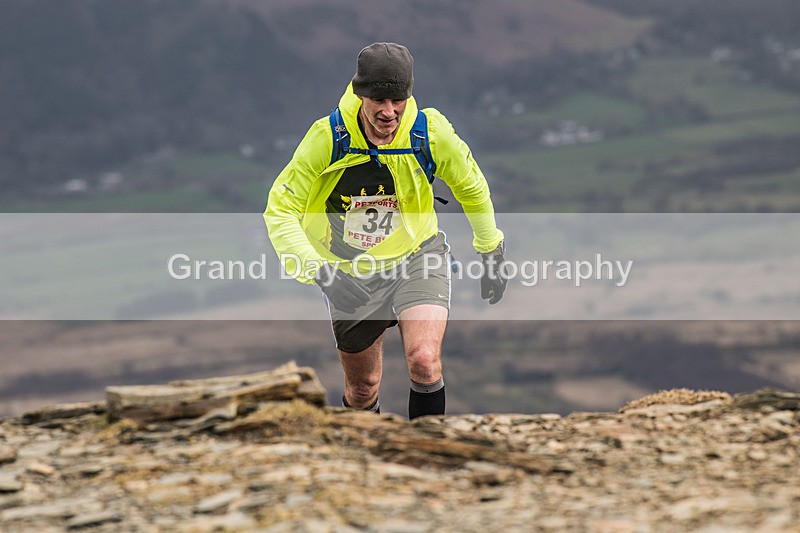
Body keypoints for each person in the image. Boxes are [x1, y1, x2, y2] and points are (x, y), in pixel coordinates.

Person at [264, 42, 506, 419]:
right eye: (378, 99)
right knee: (363, 388)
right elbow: (281, 210)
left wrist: (491, 250)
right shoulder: (328, 138)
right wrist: (322, 272)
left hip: (417, 256)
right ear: (360, 94)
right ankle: (364, 454)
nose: (389, 111)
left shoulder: (428, 134)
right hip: (349, 270)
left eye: (398, 100)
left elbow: (471, 187)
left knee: (424, 362)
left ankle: (426, 449)